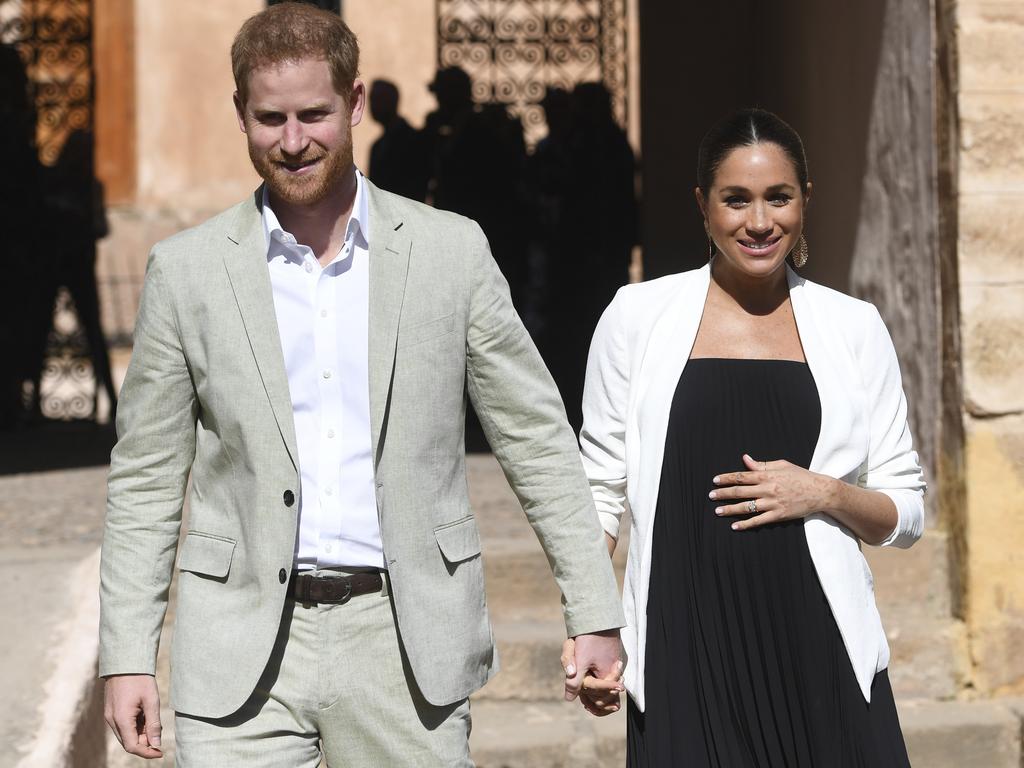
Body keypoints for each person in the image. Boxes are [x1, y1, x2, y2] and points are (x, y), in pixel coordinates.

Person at [99, 5, 623, 766]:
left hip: (406, 646)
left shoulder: (450, 252)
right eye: (269, 118)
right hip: (240, 649)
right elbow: (146, 475)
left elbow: (535, 436)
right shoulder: (187, 272)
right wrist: (126, 653)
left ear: (355, 103)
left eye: (314, 114)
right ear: (240, 114)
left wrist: (592, 607)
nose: (293, 140)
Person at [567, 108, 924, 766]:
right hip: (685, 644)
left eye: (778, 198)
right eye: (737, 200)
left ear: (805, 201)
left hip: (821, 649)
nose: (760, 222)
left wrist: (824, 493)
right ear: (703, 205)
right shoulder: (637, 316)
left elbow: (906, 512)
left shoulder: (854, 326)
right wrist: (590, 620)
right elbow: (598, 486)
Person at [367, 79, 428, 202]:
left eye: (378, 100)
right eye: (371, 100)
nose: (372, 106)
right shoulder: (377, 145)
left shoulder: (413, 140)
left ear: (392, 101)